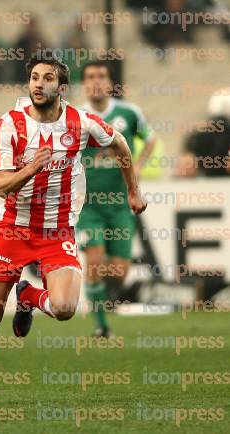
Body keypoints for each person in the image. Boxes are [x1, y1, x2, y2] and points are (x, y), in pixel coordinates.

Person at [0, 51, 147, 408]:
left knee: (64, 308)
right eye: (34, 77)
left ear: (62, 87)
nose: (38, 84)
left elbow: (120, 144)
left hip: (57, 231)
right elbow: (2, 186)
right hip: (11, 229)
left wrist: (133, 189)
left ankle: (29, 297)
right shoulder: (11, 123)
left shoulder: (81, 122)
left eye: (47, 78)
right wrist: (32, 167)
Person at [77, 60, 157, 337]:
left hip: (121, 204)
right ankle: (101, 326)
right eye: (90, 76)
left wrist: (139, 167)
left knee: (120, 272)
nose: (96, 81)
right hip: (88, 207)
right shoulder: (75, 116)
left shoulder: (129, 113)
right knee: (95, 258)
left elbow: (150, 139)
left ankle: (100, 296)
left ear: (110, 83)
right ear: (84, 84)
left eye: (101, 76)